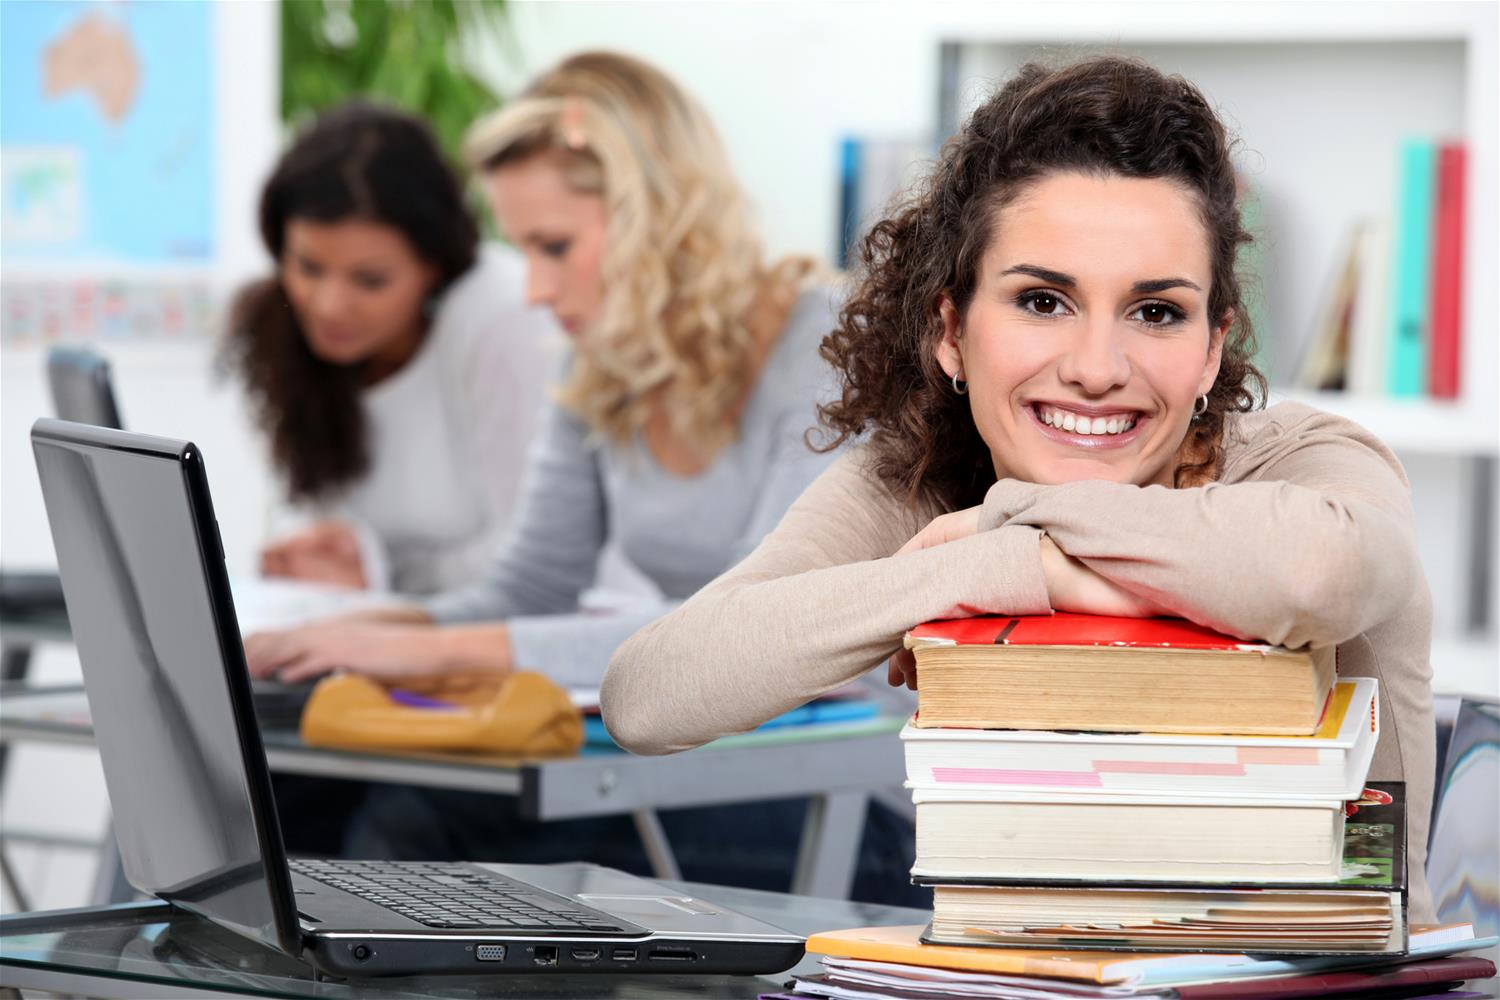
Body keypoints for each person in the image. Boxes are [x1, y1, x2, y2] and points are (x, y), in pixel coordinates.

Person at [601, 56, 1438, 921]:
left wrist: (1007, 522)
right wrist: (979, 571)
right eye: (1043, 301)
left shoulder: (1310, 467)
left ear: (1214, 346)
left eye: (1156, 312)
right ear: (952, 330)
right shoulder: (922, 479)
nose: (1094, 369)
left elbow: (1318, 577)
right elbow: (650, 694)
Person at [242, 53, 918, 899]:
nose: (532, 288)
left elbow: (746, 639)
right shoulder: (602, 365)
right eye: (523, 250)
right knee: (275, 799)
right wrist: (349, 636)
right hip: (690, 767)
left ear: (659, 217)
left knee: (418, 825)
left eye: (554, 247)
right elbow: (530, 585)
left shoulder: (829, 348)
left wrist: (412, 650)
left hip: (855, 809)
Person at [225, 102, 554, 598]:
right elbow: (312, 513)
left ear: (434, 267)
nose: (330, 306)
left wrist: (382, 578)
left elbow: (541, 559)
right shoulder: (280, 326)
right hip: (370, 632)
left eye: (370, 280)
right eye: (308, 267)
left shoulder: (503, 315)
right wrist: (306, 556)